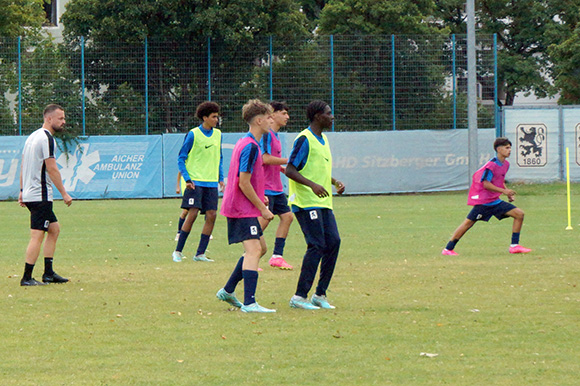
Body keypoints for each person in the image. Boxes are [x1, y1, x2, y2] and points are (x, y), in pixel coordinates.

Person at [216, 99, 276, 313]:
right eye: (269, 117)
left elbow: (246, 180)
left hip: (242, 206)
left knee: (261, 248)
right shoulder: (250, 146)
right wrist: (262, 207)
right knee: (253, 250)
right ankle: (249, 303)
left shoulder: (247, 142)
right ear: (259, 120)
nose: (272, 121)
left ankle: (228, 290)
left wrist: (260, 196)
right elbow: (243, 181)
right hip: (241, 209)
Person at [285, 100, 345, 310]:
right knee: (317, 244)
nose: (332, 116)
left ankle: (319, 294)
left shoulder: (324, 139)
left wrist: (334, 181)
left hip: (323, 203)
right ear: (318, 116)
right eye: (329, 113)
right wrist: (312, 186)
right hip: (305, 202)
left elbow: (316, 170)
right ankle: (299, 297)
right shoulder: (305, 139)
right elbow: (290, 170)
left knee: (334, 242)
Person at [442, 137, 532, 256]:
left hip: (495, 202)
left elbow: (499, 180)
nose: (510, 150)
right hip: (484, 203)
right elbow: (486, 184)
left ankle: (514, 246)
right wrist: (504, 191)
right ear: (499, 149)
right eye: (507, 148)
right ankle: (448, 249)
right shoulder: (491, 165)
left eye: (510, 148)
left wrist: (507, 192)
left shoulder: (506, 164)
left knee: (519, 214)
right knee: (468, 224)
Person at [18, 104, 73, 286]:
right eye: (60, 118)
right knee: (37, 236)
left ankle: (48, 274)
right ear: (49, 119)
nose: (63, 122)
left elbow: (23, 165)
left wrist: (21, 191)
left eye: (64, 118)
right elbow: (51, 168)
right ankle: (27, 278)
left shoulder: (32, 137)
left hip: (31, 194)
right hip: (40, 196)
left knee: (54, 229)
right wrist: (64, 193)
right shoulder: (47, 138)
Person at [172, 101, 224, 262]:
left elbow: (219, 158)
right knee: (192, 213)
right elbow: (181, 158)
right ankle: (178, 251)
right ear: (205, 117)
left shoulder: (218, 134)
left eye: (217, 116)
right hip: (195, 182)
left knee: (212, 215)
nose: (217, 119)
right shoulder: (193, 134)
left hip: (210, 183)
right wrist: (187, 179)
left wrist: (220, 178)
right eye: (214, 116)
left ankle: (200, 253)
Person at [258, 101, 294, 269]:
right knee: (261, 223)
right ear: (273, 115)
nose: (287, 117)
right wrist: (289, 160)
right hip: (265, 187)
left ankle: (277, 256)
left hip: (277, 187)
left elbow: (271, 162)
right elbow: (264, 158)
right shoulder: (266, 135)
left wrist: (281, 168)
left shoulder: (276, 136)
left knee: (287, 217)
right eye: (284, 113)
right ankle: (249, 257)